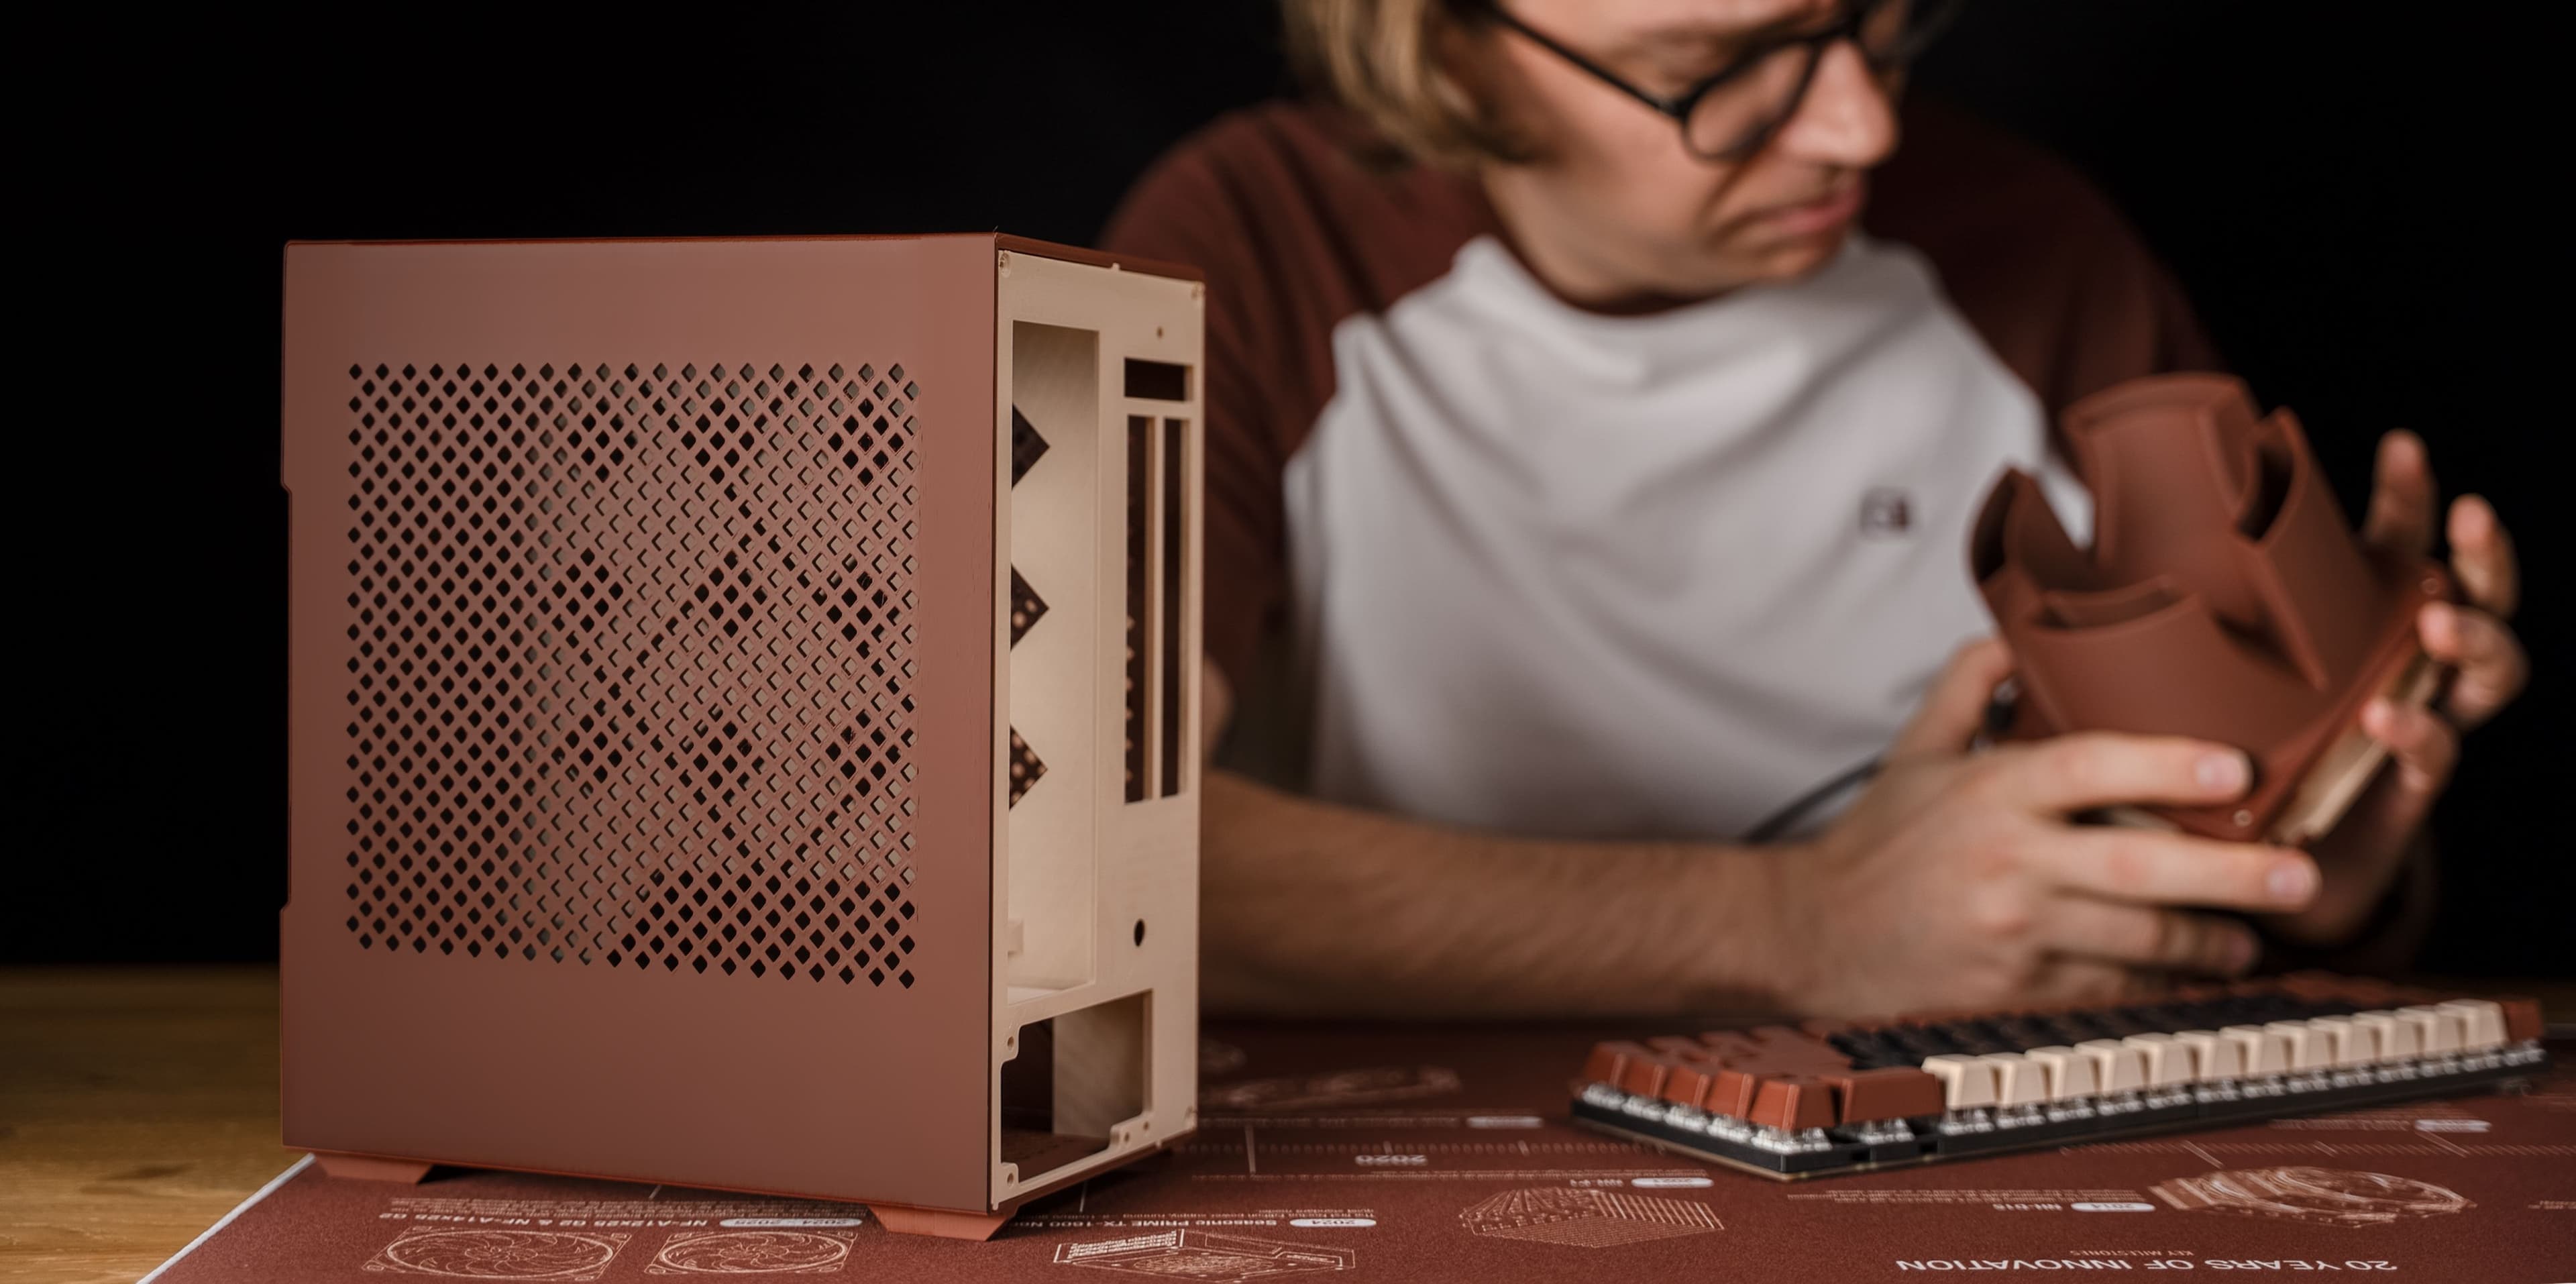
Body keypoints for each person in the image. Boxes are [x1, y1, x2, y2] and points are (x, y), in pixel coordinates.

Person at [1097, 0, 2530, 1018]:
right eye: (1717, 69)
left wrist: (2302, 856)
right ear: (1444, 44)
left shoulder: (2038, 253)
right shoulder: (1259, 246)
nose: (1862, 124)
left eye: (1873, 20)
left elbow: (2240, 857)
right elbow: (1076, 857)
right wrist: (1796, 926)